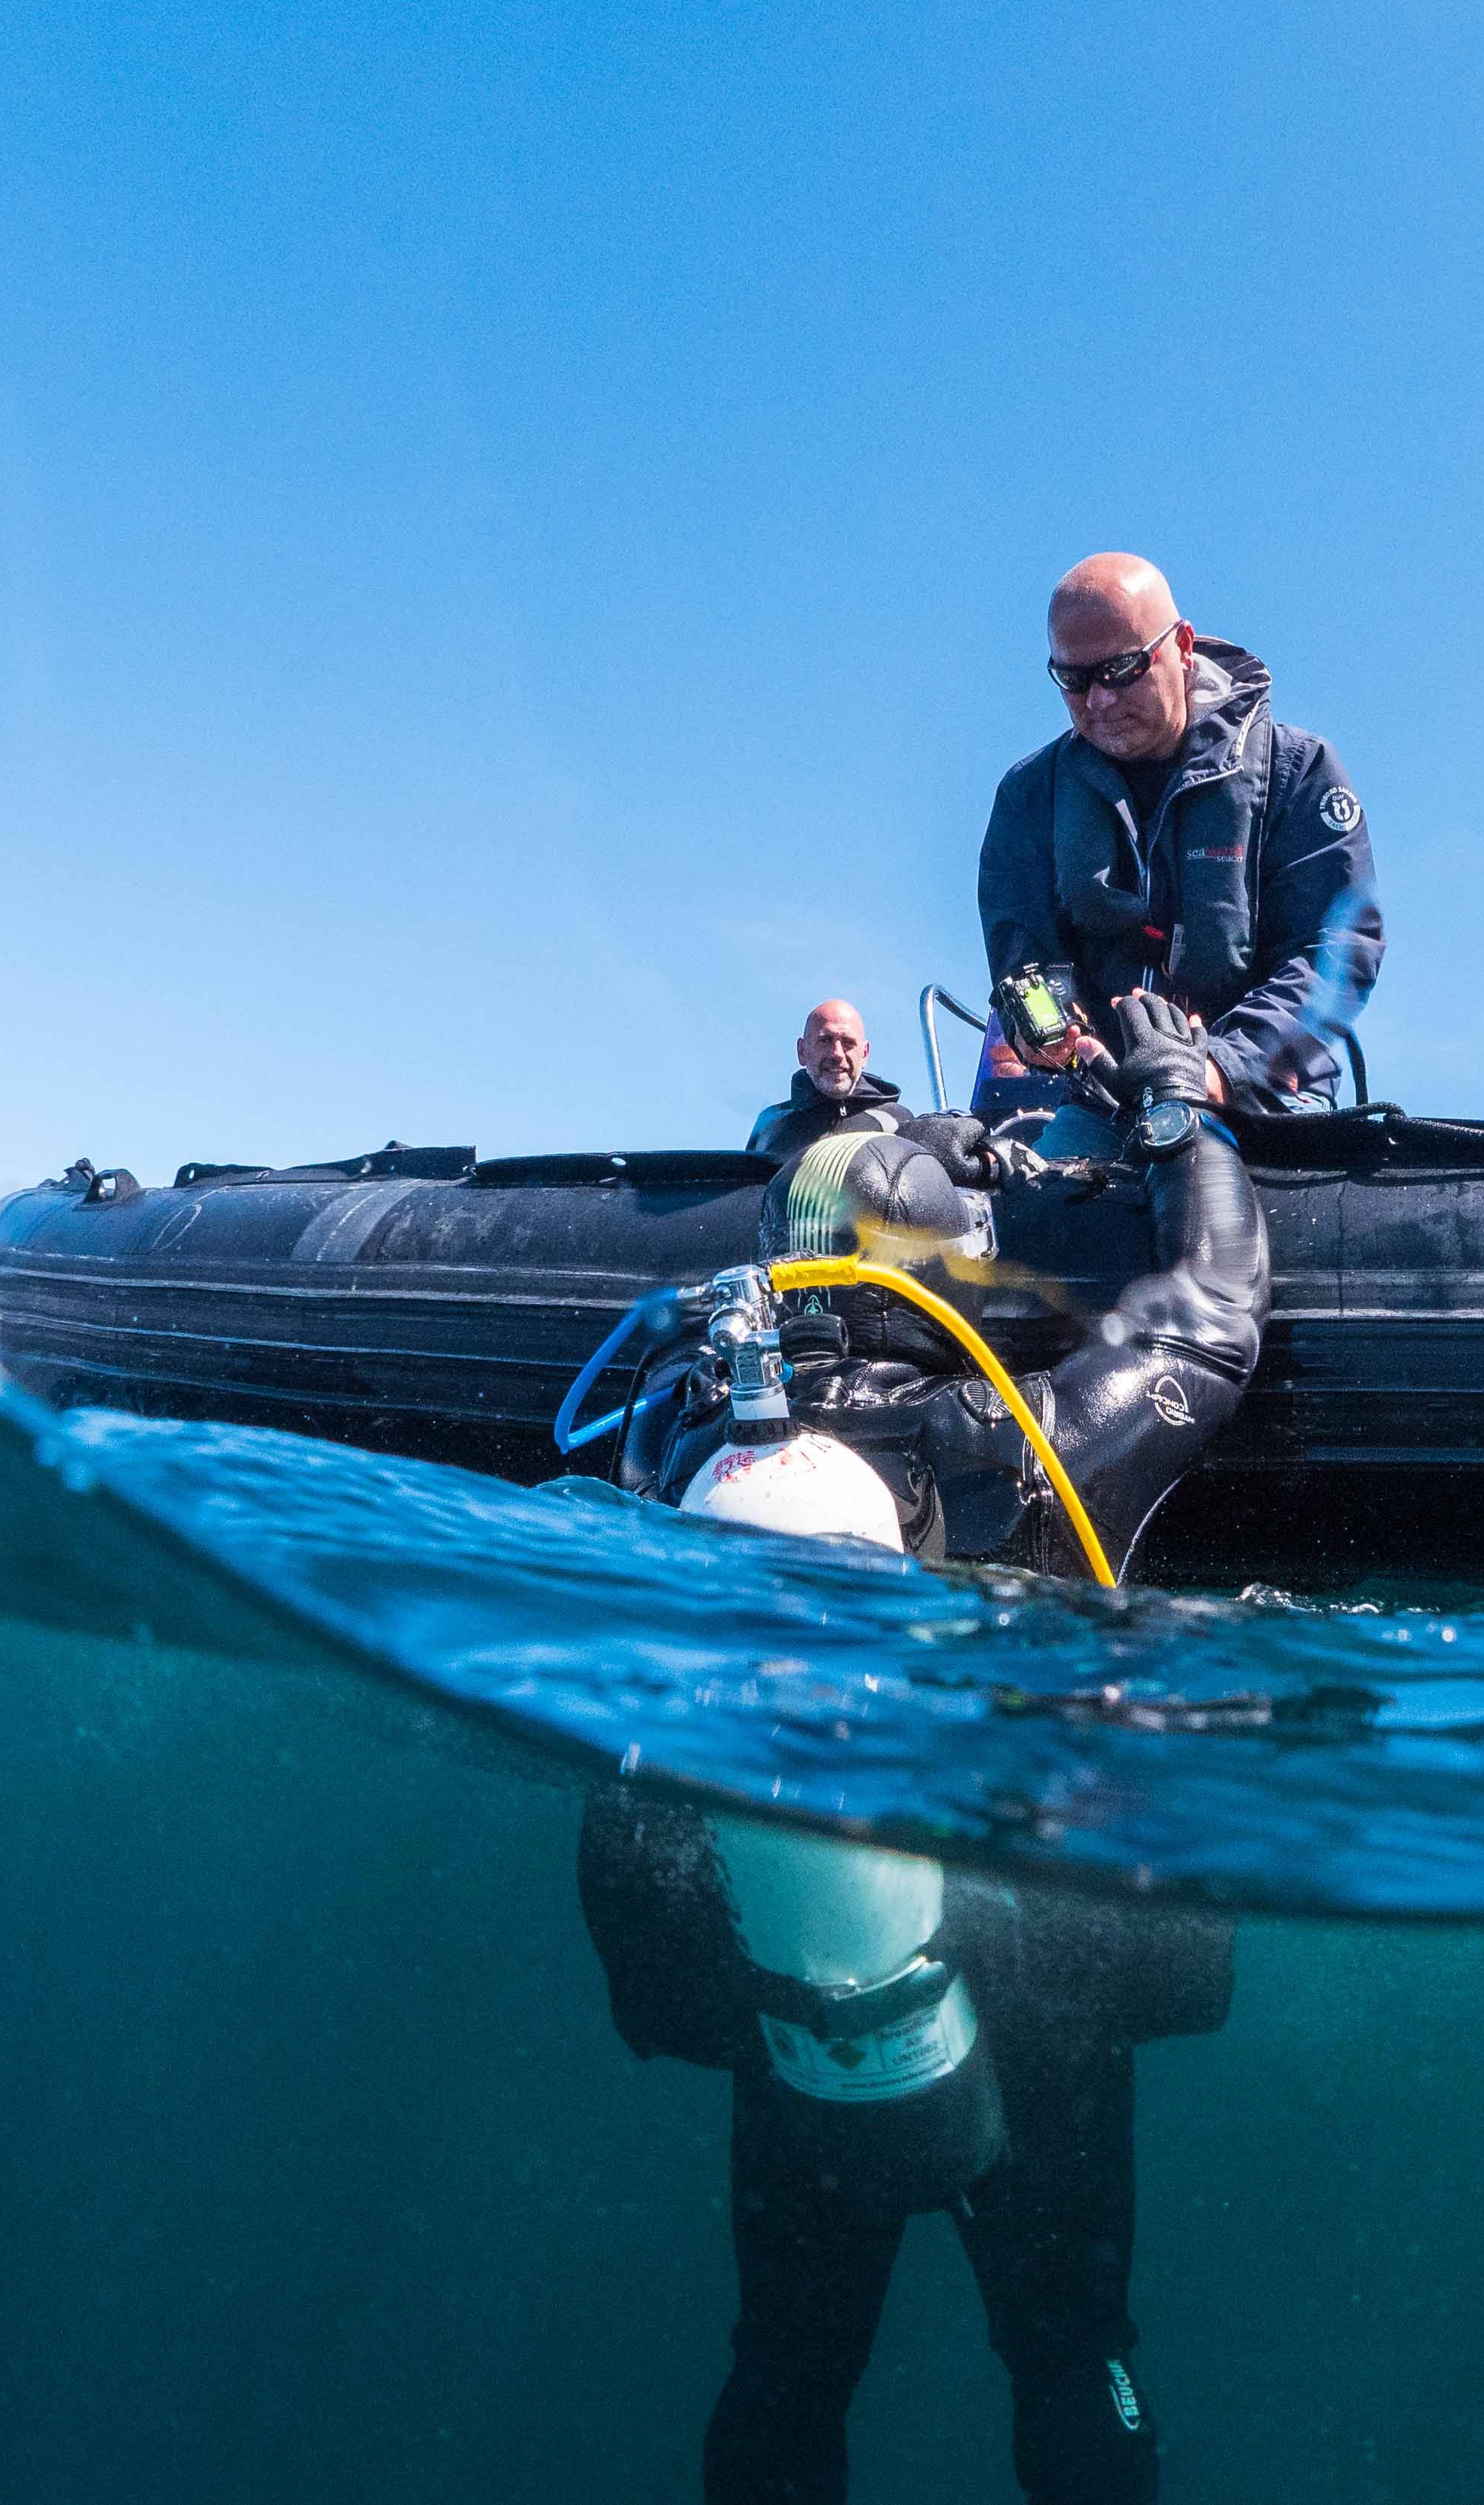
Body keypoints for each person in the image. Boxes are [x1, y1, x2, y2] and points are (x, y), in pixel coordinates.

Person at [583, 994, 1264, 2503]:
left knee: (784, 2369)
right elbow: (1215, 1314)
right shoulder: (1019, 1443)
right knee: (1072, 2351)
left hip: (798, 2021)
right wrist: (1175, 1102)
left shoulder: (666, 1460)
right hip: (1040, 2021)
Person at [974, 553, 1381, 1121]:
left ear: (1183, 646)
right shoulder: (1027, 796)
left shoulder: (1299, 770)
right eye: (1073, 679)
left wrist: (1218, 1068)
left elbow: (1335, 952)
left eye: (1121, 670)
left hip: (1270, 1100)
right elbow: (1024, 957)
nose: (1099, 700)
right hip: (1104, 1107)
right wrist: (1053, 1035)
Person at [747, 999, 905, 1160]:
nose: (837, 1054)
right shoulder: (771, 1125)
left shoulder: (897, 1121)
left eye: (848, 1042)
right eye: (825, 1041)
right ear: (802, 1052)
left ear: (864, 1054)